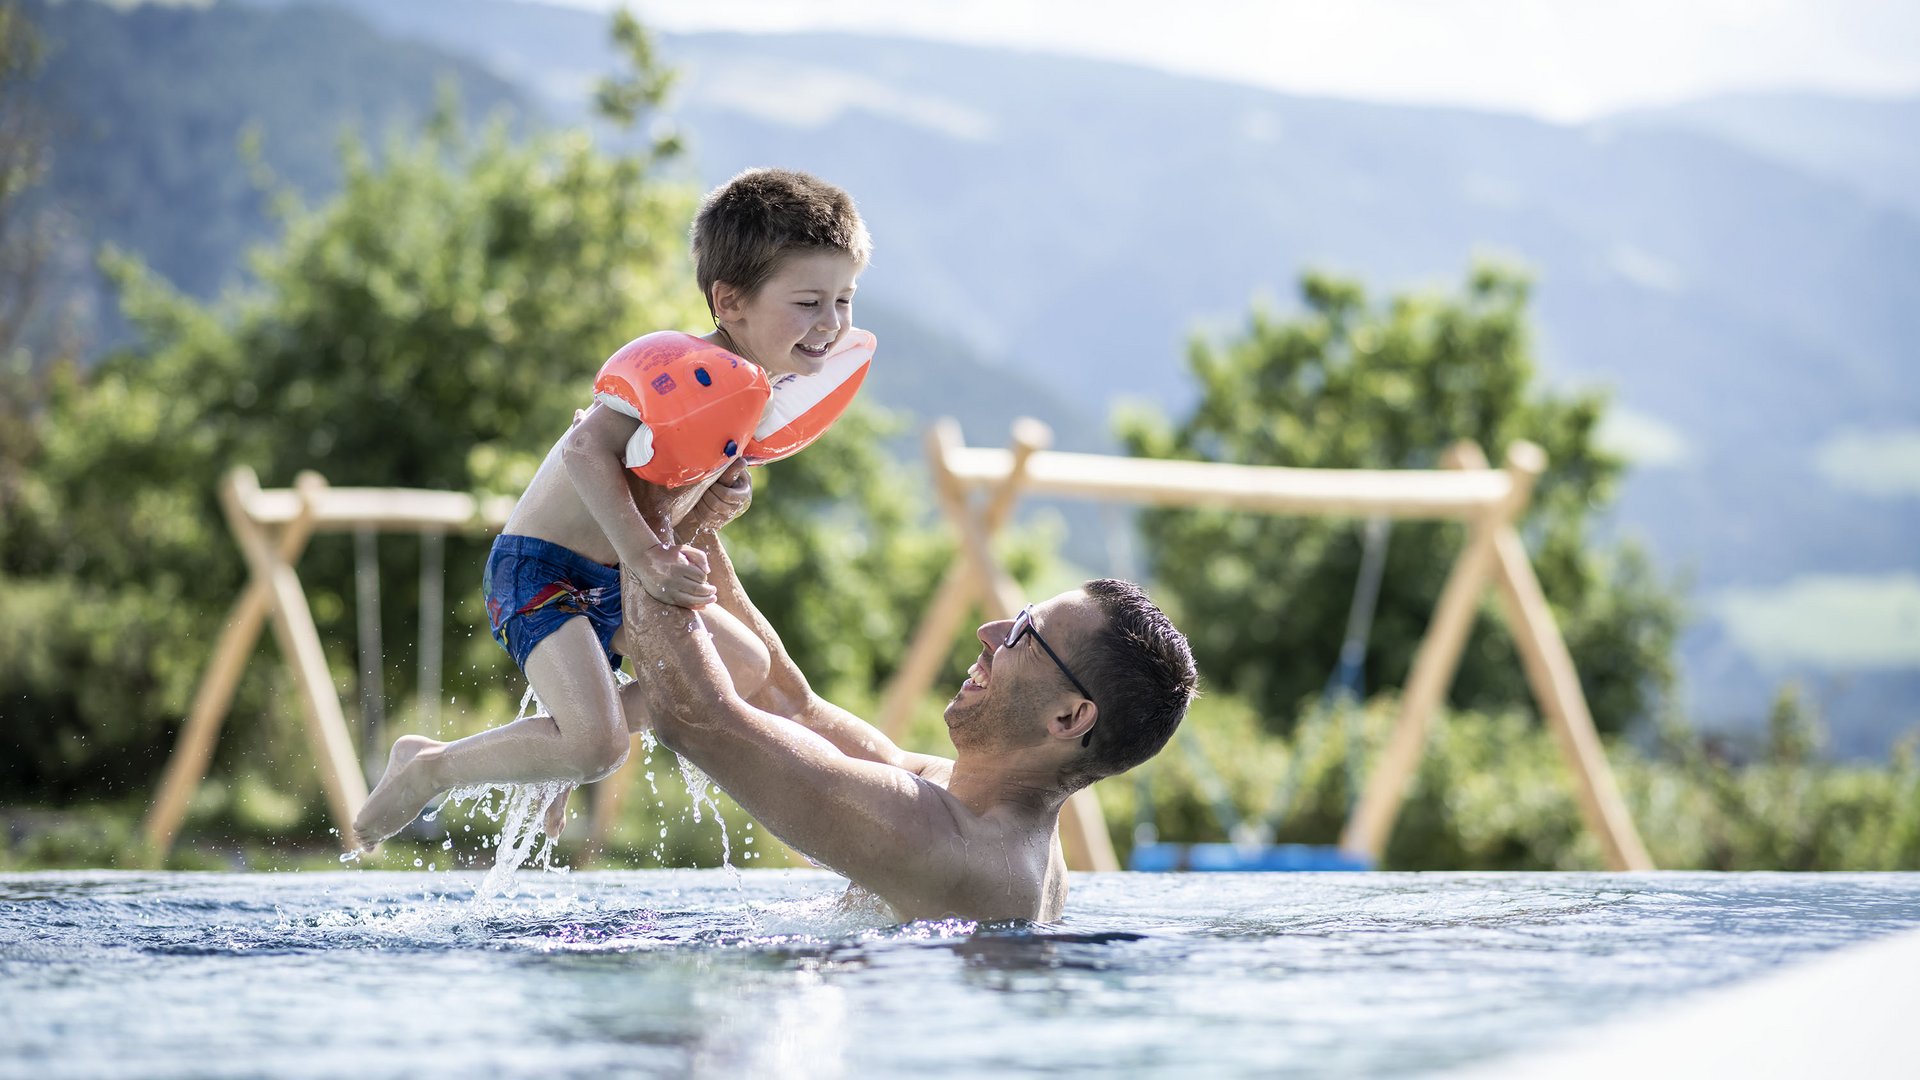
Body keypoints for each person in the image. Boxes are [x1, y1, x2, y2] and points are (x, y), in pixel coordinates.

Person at [351, 168, 871, 849]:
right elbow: (584, 455)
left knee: (743, 671)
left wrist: (709, 508)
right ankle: (430, 767)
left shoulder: (750, 399)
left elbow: (659, 501)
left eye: (845, 300)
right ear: (731, 301)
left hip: (616, 578)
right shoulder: (679, 370)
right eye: (809, 301)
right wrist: (651, 558)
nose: (831, 324)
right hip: (543, 573)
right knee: (599, 748)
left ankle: (554, 750)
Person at [618, 473, 1198, 922]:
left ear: (1069, 717)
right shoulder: (966, 804)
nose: (990, 632)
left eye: (1025, 634)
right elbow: (786, 701)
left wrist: (634, 506)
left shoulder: (948, 847)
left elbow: (696, 717)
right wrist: (693, 506)